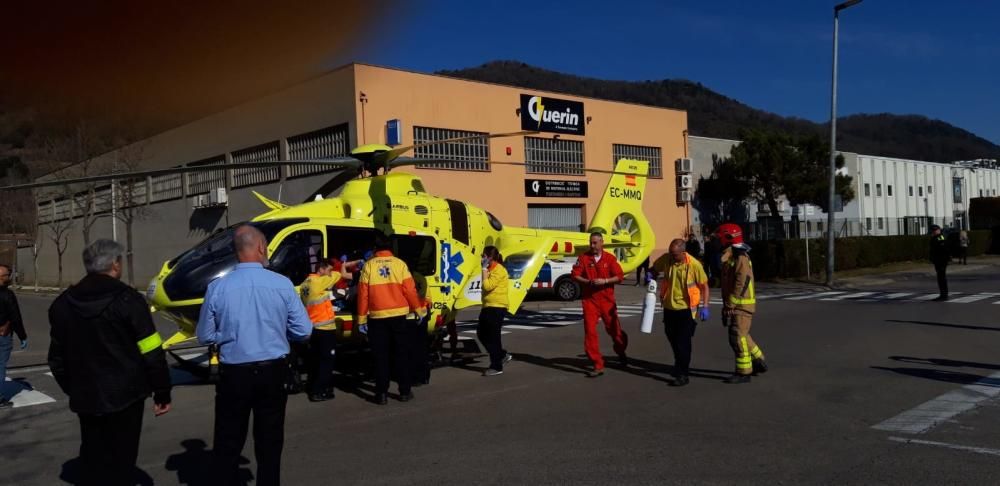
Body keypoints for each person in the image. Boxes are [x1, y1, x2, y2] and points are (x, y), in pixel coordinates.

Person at [47, 240, 172, 486]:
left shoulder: (61, 305)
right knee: (122, 460)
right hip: (127, 394)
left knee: (93, 455)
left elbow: (56, 359)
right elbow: (152, 350)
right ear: (115, 264)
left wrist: (74, 388)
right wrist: (162, 390)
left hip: (86, 395)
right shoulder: (129, 300)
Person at [197, 225, 313, 486]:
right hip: (273, 371)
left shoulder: (217, 288)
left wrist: (228, 335)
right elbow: (304, 331)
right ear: (261, 247)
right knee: (270, 443)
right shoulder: (281, 284)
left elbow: (205, 335)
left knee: (228, 442)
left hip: (234, 374)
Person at [356, 232, 427, 404]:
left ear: (375, 248)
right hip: (399, 318)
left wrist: (361, 319)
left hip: (377, 318)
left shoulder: (369, 266)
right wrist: (418, 310)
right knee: (402, 354)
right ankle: (404, 391)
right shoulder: (399, 264)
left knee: (381, 357)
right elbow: (410, 291)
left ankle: (381, 394)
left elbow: (363, 295)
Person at [650, 239, 710, 387]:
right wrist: (650, 275)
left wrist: (705, 306)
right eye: (671, 253)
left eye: (675, 254)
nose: (672, 256)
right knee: (672, 338)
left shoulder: (694, 265)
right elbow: (654, 269)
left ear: (683, 253)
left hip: (686, 310)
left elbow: (704, 286)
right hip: (669, 308)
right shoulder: (667, 259)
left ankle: (683, 374)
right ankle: (679, 362)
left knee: (683, 342)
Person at [571, 232, 629, 378]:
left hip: (607, 301)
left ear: (602, 243)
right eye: (591, 243)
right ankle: (597, 364)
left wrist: (605, 281)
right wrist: (588, 282)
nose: (592, 246)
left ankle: (621, 350)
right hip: (590, 300)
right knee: (590, 331)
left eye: (595, 243)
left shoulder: (609, 259)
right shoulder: (583, 258)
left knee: (614, 331)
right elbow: (575, 275)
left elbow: (619, 277)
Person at [716, 223, 768, 384]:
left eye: (720, 238)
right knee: (743, 335)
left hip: (741, 305)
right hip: (738, 304)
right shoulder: (732, 256)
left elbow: (741, 282)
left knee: (737, 337)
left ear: (728, 238)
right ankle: (759, 360)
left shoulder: (740, 257)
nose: (719, 241)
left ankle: (744, 372)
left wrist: (730, 304)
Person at [300, 259, 348, 402]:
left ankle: (313, 386)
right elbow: (339, 274)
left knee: (315, 360)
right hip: (325, 328)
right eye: (328, 270)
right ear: (320, 269)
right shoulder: (318, 282)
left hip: (313, 327)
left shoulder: (305, 284)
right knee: (327, 361)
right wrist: (344, 266)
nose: (329, 273)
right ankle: (320, 391)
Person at [478, 246, 512, 376]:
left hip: (496, 307)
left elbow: (487, 286)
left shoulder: (499, 270)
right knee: (481, 333)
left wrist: (483, 269)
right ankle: (501, 355)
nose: (481, 258)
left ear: (490, 257)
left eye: (483, 256)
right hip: (488, 306)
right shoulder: (489, 269)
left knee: (493, 337)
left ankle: (496, 366)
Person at [0, 263, 28, 410]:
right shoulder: (7, 295)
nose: (9, 277)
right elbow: (15, 318)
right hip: (2, 336)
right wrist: (22, 336)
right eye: (6, 276)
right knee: (0, 366)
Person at [929, 225, 950, 301]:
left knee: (942, 278)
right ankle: (942, 294)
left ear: (938, 230)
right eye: (933, 230)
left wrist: (944, 259)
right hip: (937, 261)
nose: (934, 232)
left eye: (935, 230)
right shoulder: (934, 238)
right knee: (940, 278)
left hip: (942, 261)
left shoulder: (940, 237)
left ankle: (944, 295)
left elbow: (943, 249)